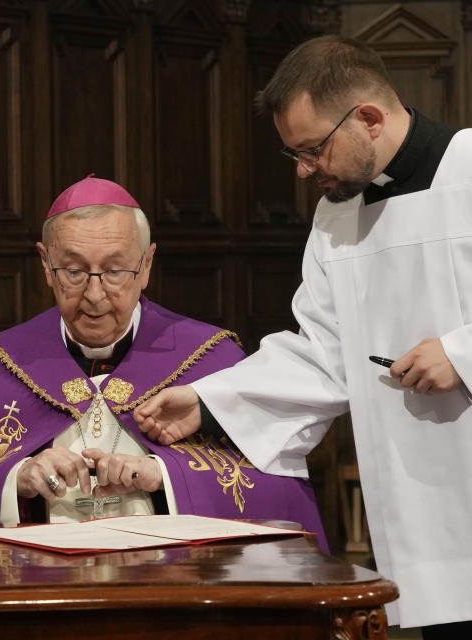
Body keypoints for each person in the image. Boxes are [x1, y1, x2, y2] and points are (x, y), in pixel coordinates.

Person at [133, 35, 472, 636]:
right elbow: (323, 353)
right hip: (425, 509)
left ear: (368, 117)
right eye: (294, 153)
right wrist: (209, 400)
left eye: (314, 149)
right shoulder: (337, 215)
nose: (304, 170)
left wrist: (462, 353)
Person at [0, 175, 325, 548]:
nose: (95, 296)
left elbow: (277, 491)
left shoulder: (212, 360)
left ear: (147, 264)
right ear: (46, 265)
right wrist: (15, 480)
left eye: (115, 271)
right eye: (74, 271)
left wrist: (164, 476)